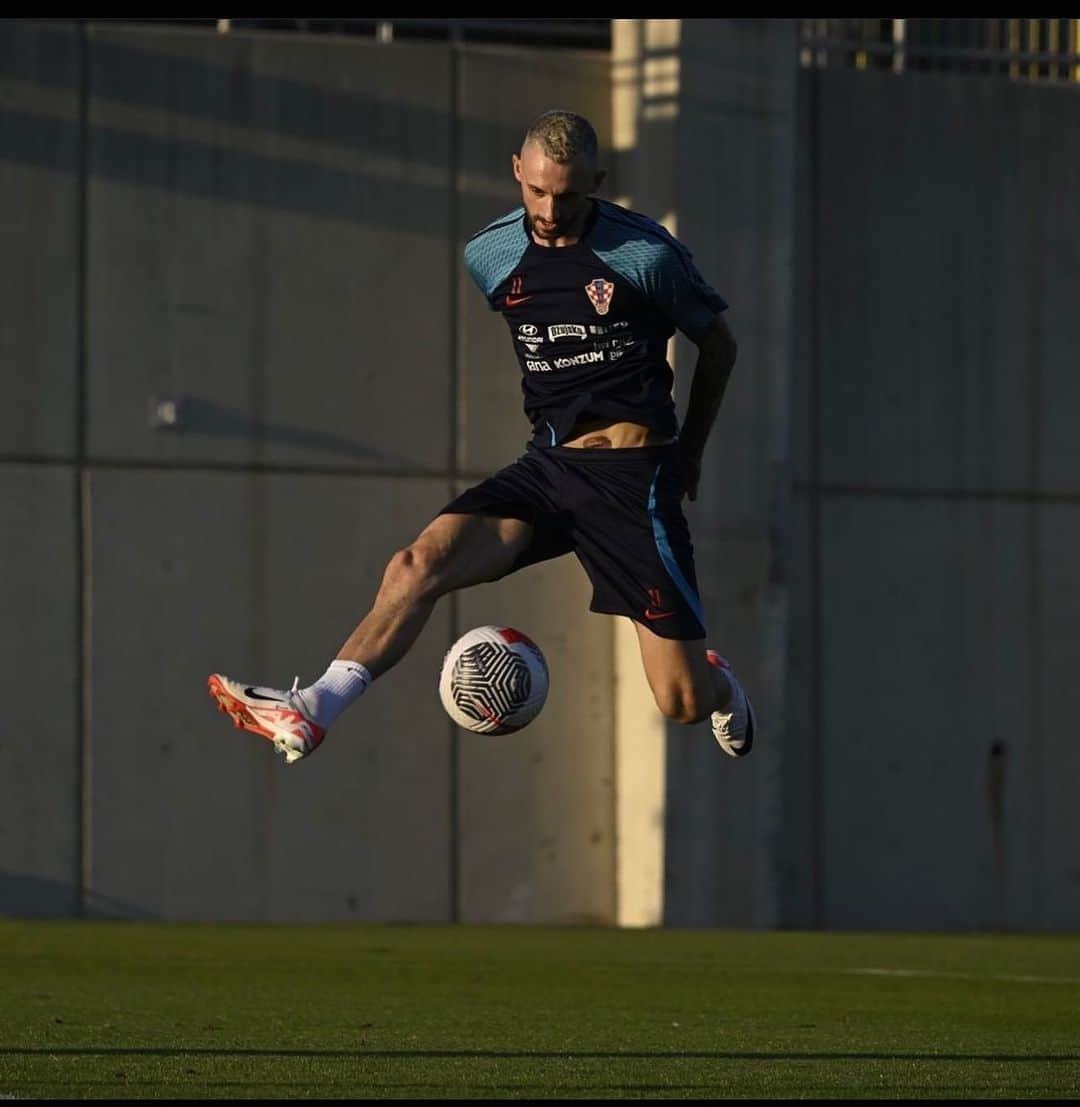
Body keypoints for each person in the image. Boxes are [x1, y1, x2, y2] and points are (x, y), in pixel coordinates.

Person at [208, 109, 755, 764]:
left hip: (632, 484)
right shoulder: (489, 255)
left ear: (598, 184)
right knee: (416, 564)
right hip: (548, 469)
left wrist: (689, 449)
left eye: (570, 194)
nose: (551, 209)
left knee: (683, 702)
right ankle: (316, 706)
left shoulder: (646, 254)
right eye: (538, 190)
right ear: (517, 171)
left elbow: (718, 344)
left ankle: (719, 682)